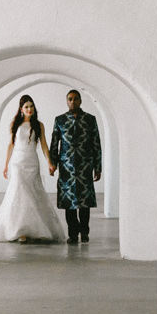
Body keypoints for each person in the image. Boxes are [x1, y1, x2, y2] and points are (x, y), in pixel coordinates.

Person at [0, 95, 68, 244]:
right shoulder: (15, 124)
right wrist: (5, 165)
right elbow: (11, 145)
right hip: (17, 162)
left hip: (32, 161)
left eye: (31, 106)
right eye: (26, 107)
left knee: (32, 193)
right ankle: (19, 230)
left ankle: (34, 229)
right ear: (21, 109)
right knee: (18, 192)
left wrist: (49, 162)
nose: (30, 109)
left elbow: (43, 145)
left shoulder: (39, 125)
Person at [50, 89, 102, 244]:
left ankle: (84, 232)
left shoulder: (90, 119)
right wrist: (53, 164)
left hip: (85, 165)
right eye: (70, 99)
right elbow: (54, 144)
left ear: (80, 101)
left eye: (75, 99)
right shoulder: (60, 120)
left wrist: (97, 167)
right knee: (69, 202)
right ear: (67, 101)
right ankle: (73, 233)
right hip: (66, 167)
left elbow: (96, 144)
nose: (73, 102)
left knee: (84, 202)